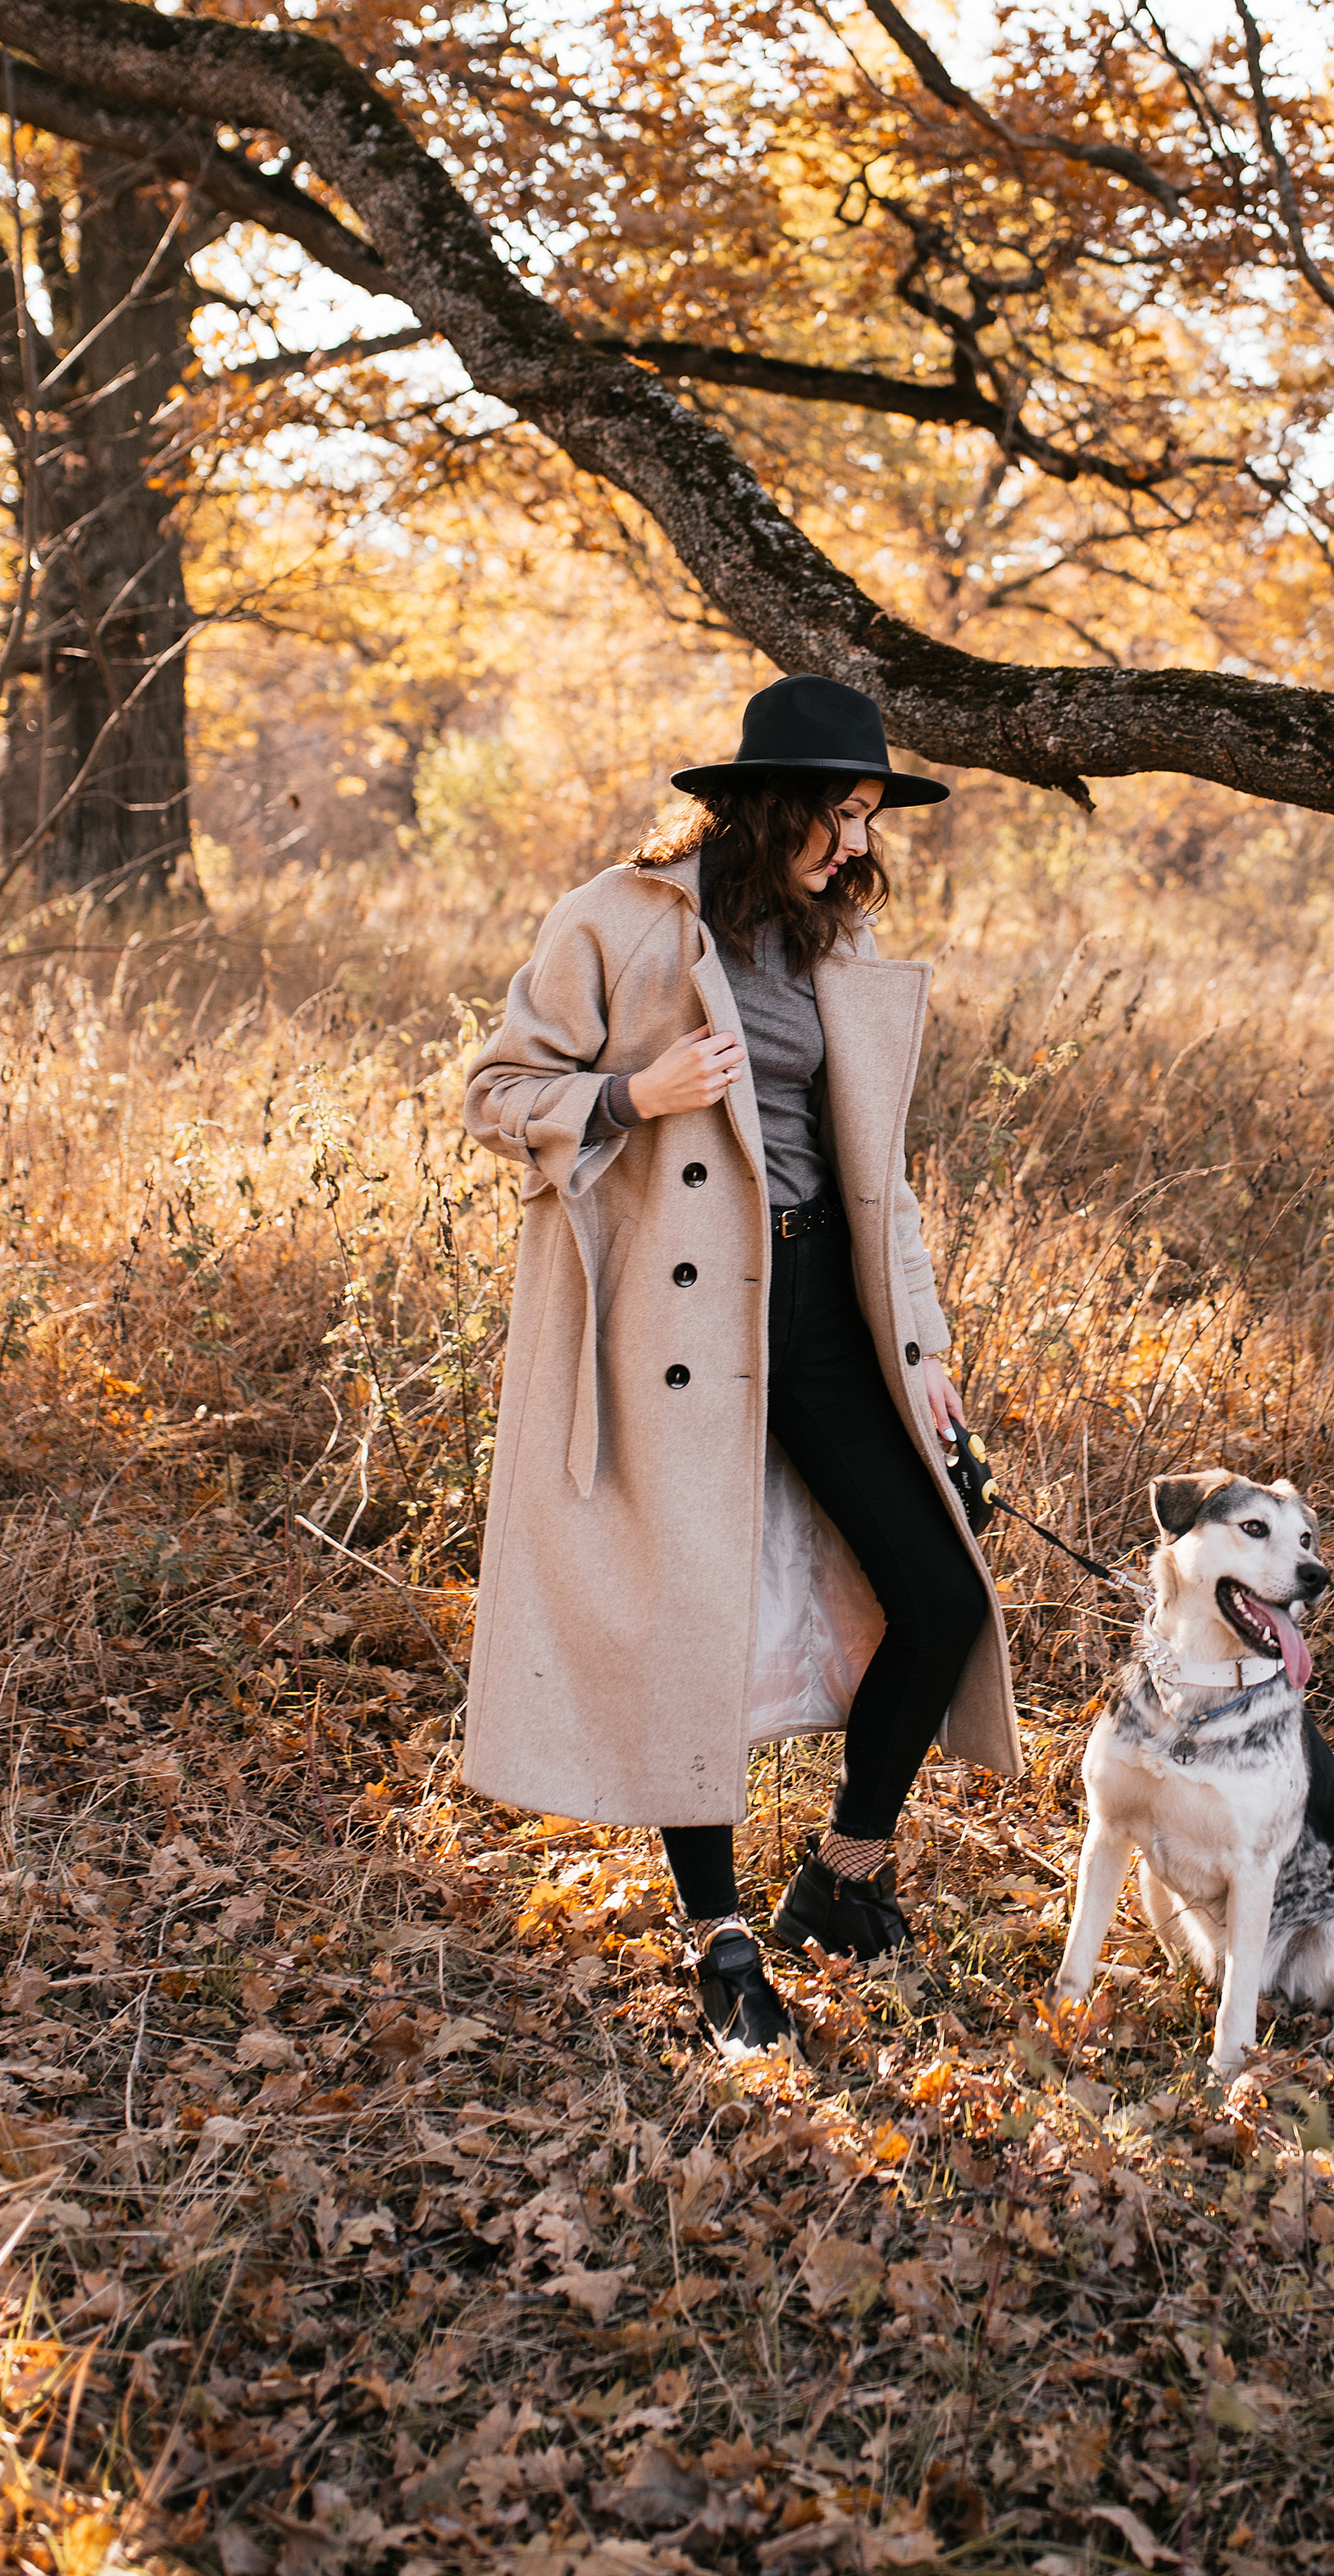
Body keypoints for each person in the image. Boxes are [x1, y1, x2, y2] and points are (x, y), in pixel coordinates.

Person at [460, 674, 1021, 2051]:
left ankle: (842, 1873)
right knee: (688, 1624)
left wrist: (924, 1347)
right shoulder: (616, 920)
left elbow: (877, 1171)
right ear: (773, 807)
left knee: (943, 1592)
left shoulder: (835, 940)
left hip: (824, 1301)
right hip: (673, 1326)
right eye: (843, 814)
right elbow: (495, 1093)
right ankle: (719, 1939)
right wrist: (632, 1095)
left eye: (872, 817)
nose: (859, 843)